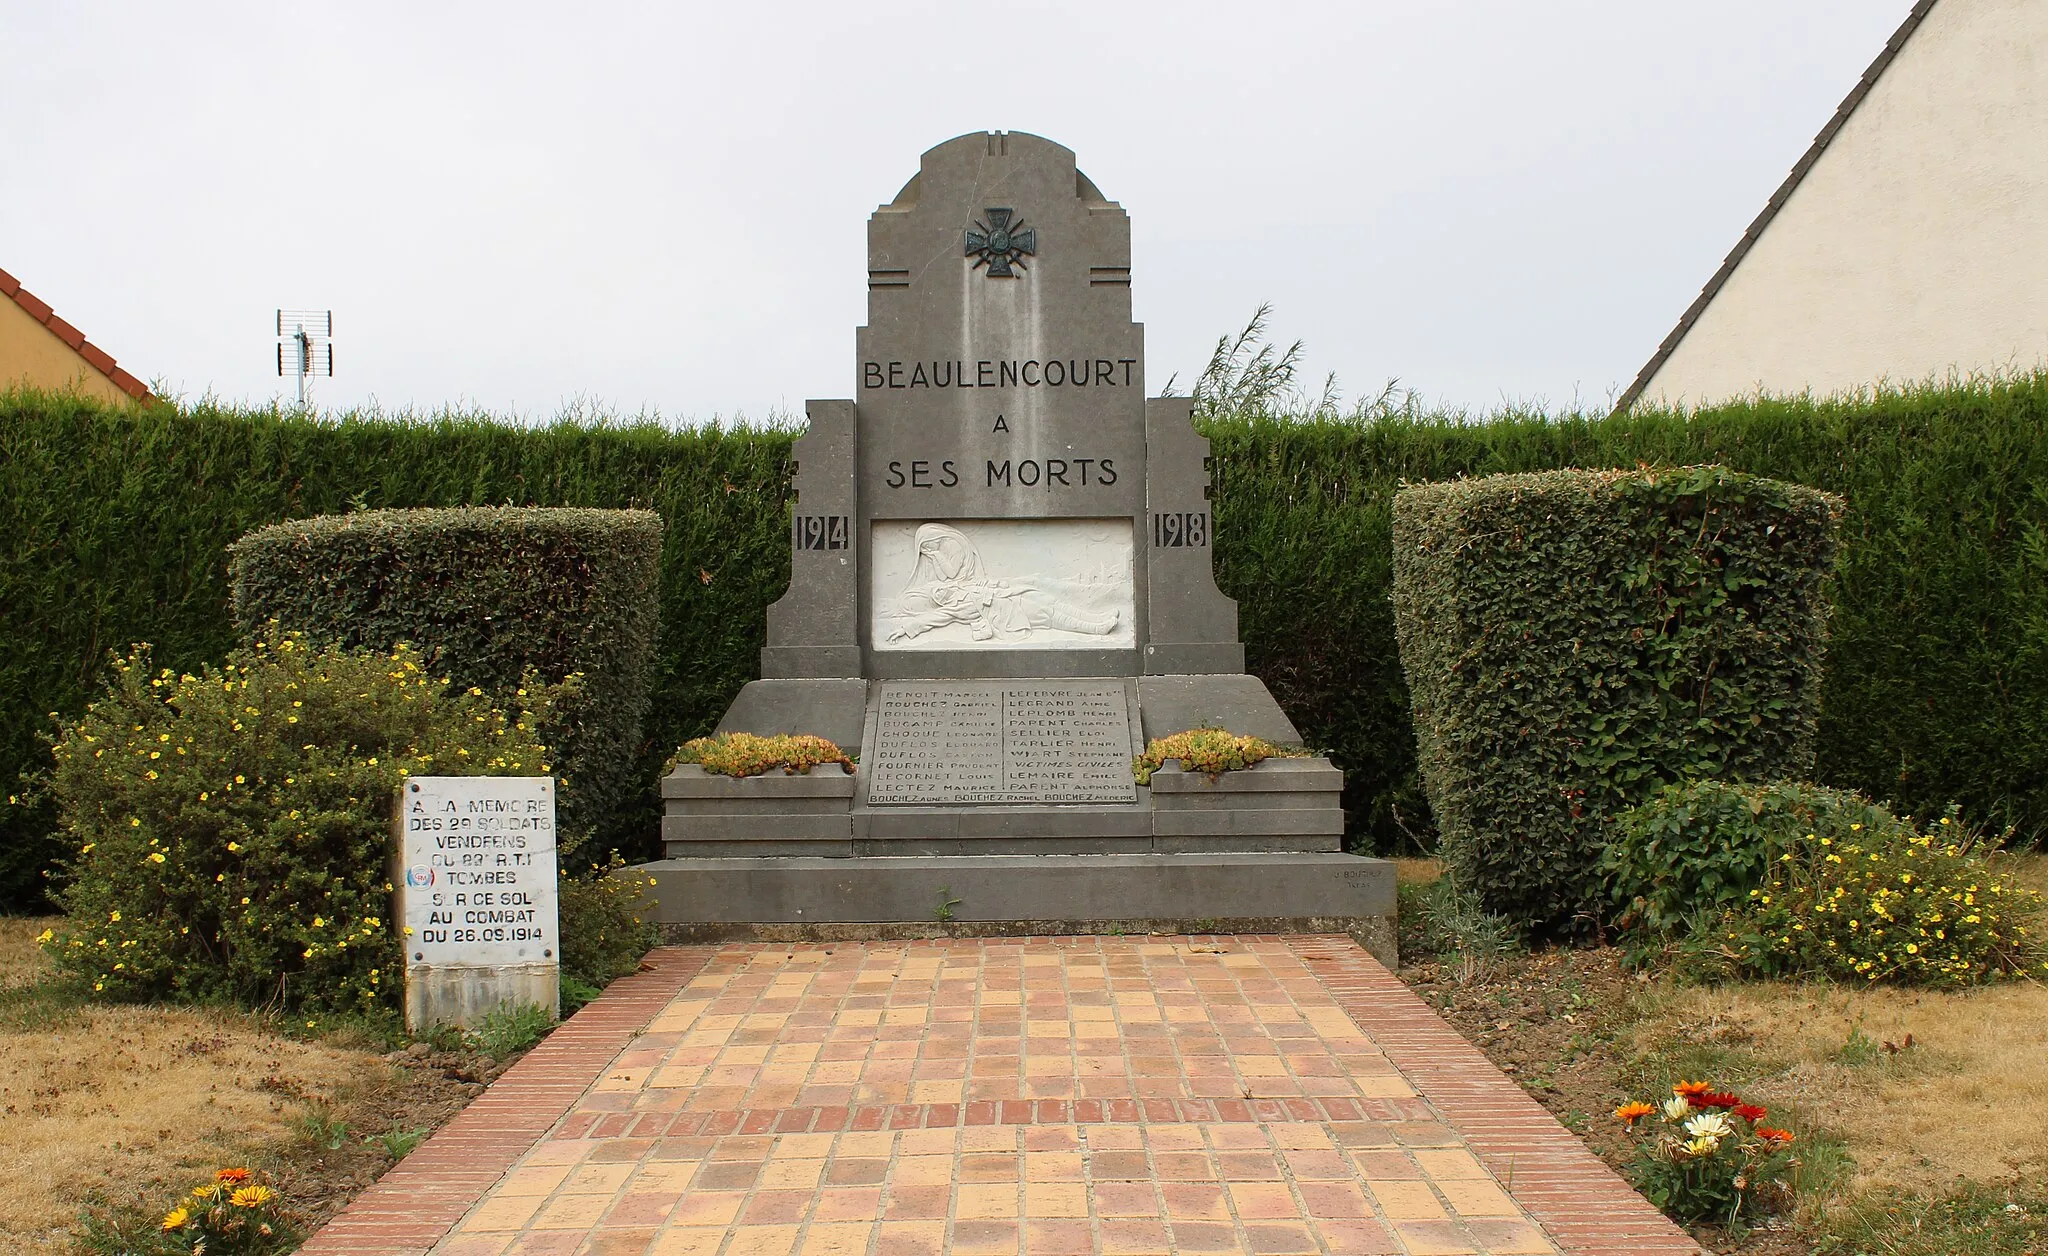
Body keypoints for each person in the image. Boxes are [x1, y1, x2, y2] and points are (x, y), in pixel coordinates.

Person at [885, 522, 1120, 643]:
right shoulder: (958, 606)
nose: (941, 590)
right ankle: (1095, 629)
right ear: (938, 601)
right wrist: (906, 629)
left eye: (939, 589)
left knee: (1051, 600)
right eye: (938, 594)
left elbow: (980, 583)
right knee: (1051, 615)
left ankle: (1096, 617)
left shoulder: (964, 586)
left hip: (1015, 596)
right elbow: (936, 618)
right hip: (1009, 612)